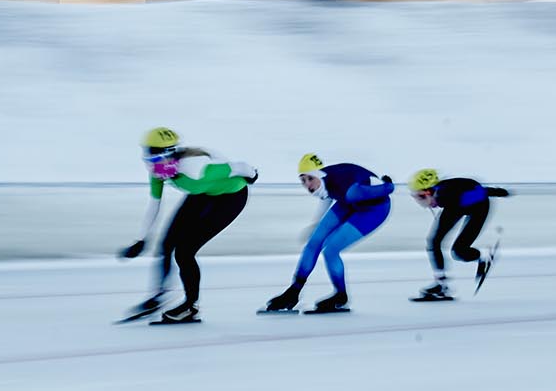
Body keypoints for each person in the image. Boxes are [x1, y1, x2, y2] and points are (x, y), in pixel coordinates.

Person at [120, 127, 257, 324]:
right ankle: (159, 296)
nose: (151, 167)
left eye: (153, 159)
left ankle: (191, 307)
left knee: (184, 252)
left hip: (231, 197)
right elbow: (154, 204)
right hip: (202, 194)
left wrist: (253, 175)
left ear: (169, 156)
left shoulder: (195, 168)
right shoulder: (158, 170)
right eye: (148, 158)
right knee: (166, 244)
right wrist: (141, 240)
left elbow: (241, 166)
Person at [261, 152, 394, 315]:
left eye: (310, 179)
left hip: (374, 209)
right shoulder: (325, 183)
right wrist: (316, 226)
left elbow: (387, 189)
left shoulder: (351, 190)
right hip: (348, 202)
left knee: (331, 249)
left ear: (320, 175)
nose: (307, 185)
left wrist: (388, 183)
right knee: (313, 242)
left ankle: (340, 297)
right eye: (303, 180)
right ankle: (293, 292)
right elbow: (327, 199)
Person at [407, 169, 511, 302]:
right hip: (456, 205)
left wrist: (499, 191)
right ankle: (441, 285)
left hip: (479, 206)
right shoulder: (442, 196)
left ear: (430, 191)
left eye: (421, 196)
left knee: (458, 251)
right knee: (434, 242)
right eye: (416, 197)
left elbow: (480, 192)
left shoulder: (447, 194)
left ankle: (483, 256)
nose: (421, 202)